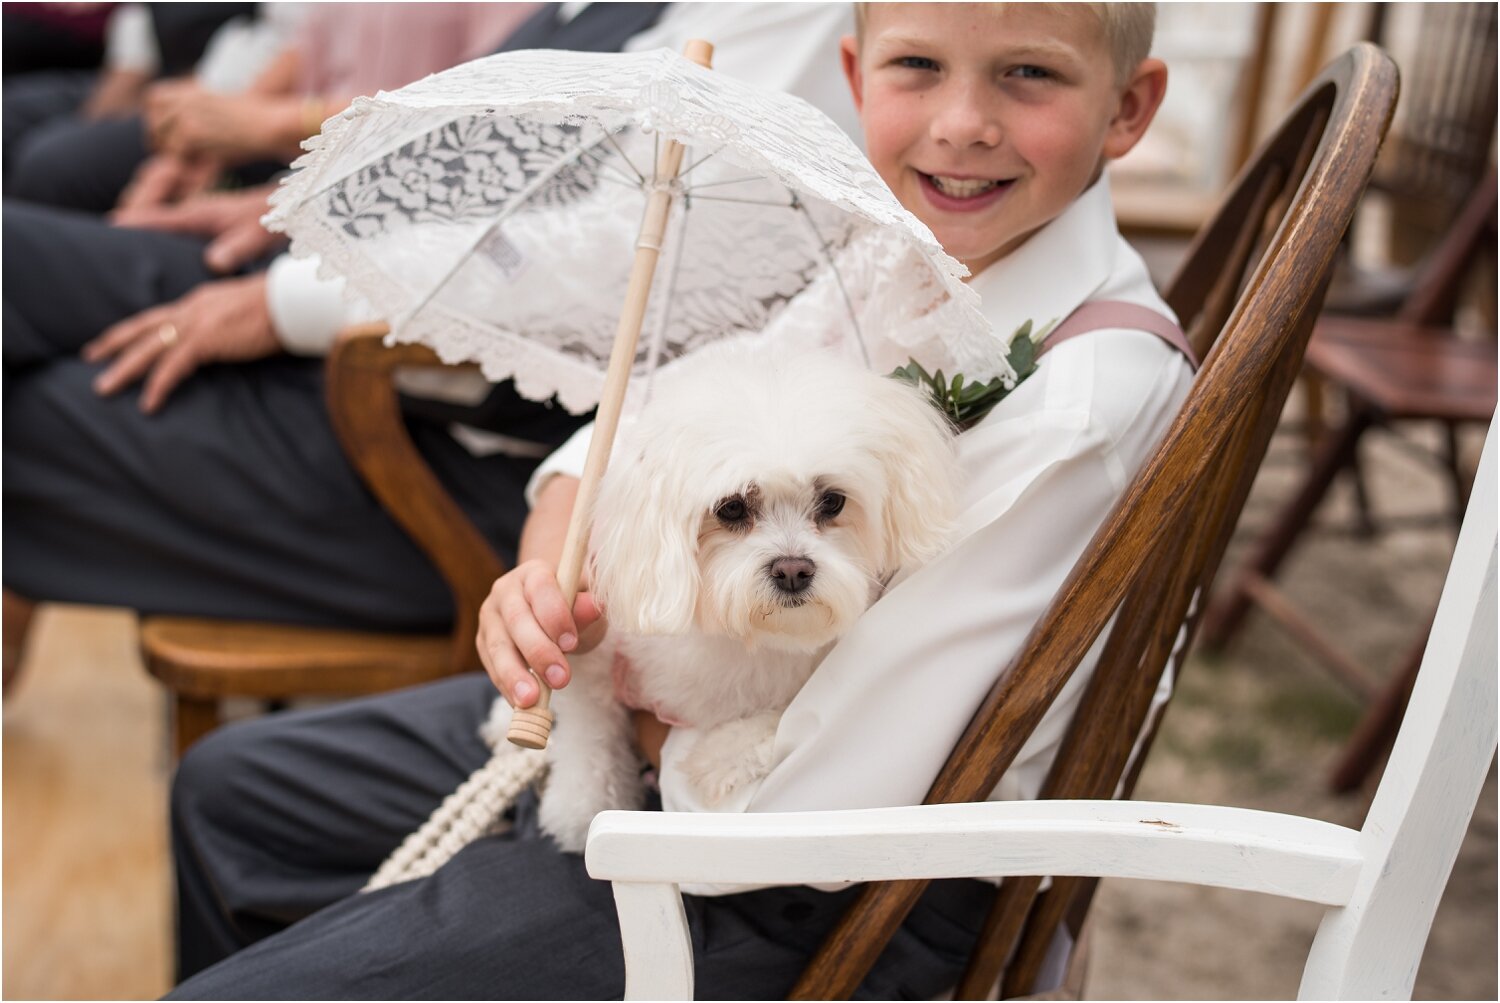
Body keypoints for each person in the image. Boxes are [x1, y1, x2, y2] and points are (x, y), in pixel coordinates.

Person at [167, 3, 1181, 997]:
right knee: (235, 792)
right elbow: (656, 419)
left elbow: (806, 813)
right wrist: (547, 554)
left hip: (823, 894)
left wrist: (635, 724)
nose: (963, 123)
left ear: (1128, 107)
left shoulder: (1077, 404)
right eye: (918, 65)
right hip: (695, 725)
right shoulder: (893, 253)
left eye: (1029, 73)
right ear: (855, 74)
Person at [2, 4, 857, 642]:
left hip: (431, 399)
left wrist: (281, 301)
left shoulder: (787, 26)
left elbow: (610, 259)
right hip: (366, 279)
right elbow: (499, 154)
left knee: (26, 419)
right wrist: (296, 212)